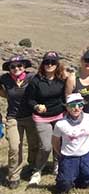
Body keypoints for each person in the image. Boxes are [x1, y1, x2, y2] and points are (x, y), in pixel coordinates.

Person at [26, 51, 69, 186]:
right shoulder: (36, 81)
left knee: (59, 143)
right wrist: (36, 106)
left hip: (59, 115)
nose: (49, 65)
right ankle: (37, 170)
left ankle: (57, 164)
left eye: (53, 62)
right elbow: (30, 99)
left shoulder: (61, 80)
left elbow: (65, 96)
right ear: (43, 64)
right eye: (47, 62)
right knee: (46, 146)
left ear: (57, 65)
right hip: (42, 117)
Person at [0, 55, 38, 189]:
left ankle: (32, 167)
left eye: (19, 66)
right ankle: (14, 176)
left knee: (34, 145)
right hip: (13, 118)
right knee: (15, 147)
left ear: (24, 67)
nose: (16, 68)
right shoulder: (4, 79)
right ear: (9, 69)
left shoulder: (31, 77)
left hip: (31, 117)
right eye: (12, 66)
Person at [51, 93, 89, 194]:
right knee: (64, 186)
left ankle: (77, 175)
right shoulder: (60, 124)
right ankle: (66, 176)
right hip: (69, 157)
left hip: (86, 155)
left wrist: (86, 147)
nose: (76, 108)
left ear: (83, 105)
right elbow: (55, 141)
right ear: (67, 107)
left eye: (79, 105)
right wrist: (61, 154)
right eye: (72, 105)